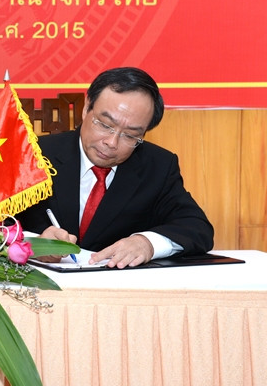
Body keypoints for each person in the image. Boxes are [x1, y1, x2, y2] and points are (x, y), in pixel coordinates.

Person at [16, 67, 214, 268]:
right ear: (86, 108)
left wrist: (147, 243)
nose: (111, 142)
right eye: (105, 125)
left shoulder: (158, 166)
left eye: (130, 135)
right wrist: (33, 244)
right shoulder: (33, 154)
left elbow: (197, 227)